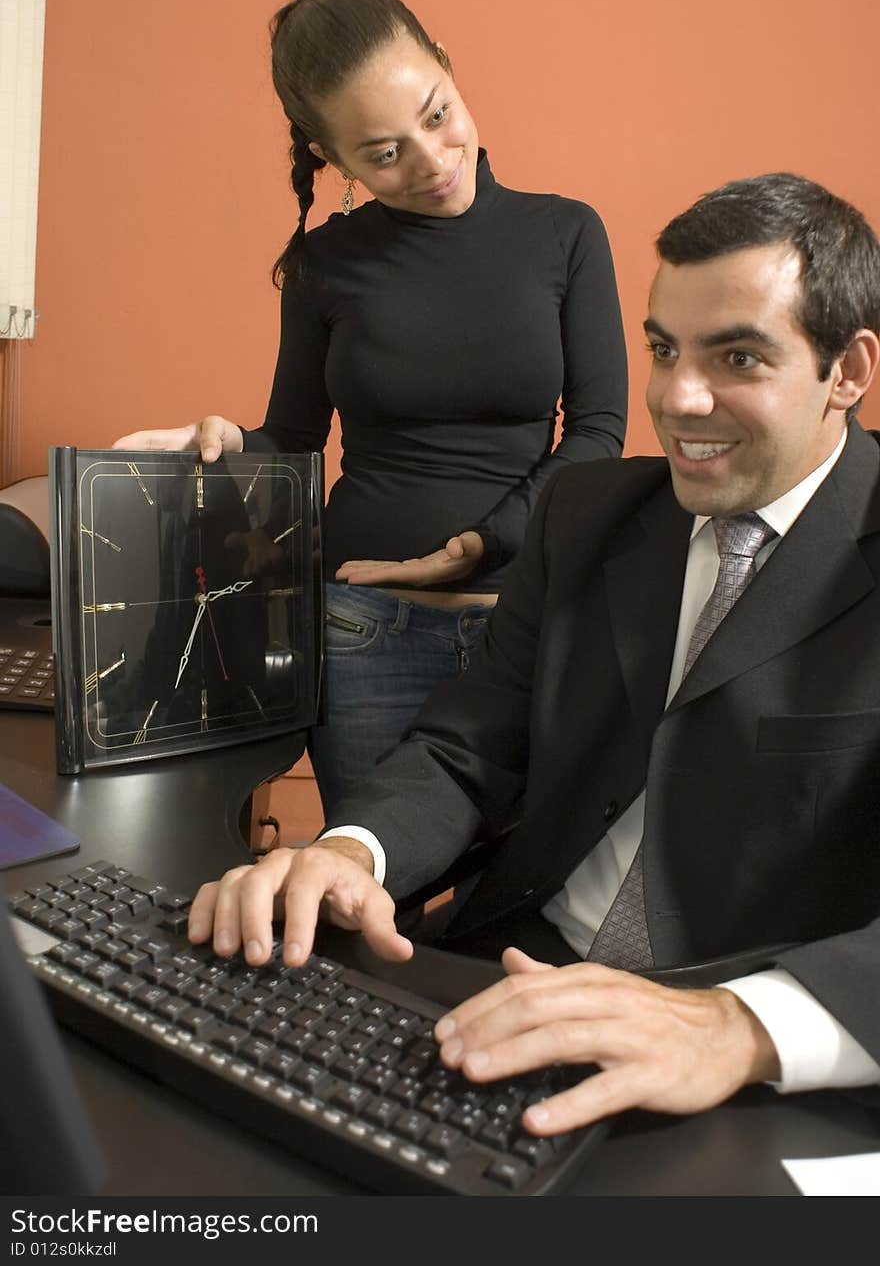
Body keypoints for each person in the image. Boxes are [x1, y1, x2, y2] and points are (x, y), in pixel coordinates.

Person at [189, 170, 880, 1138]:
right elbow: (465, 744)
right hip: (503, 970)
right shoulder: (587, 511)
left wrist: (740, 1026)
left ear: (846, 370)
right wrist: (351, 848)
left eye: (736, 356)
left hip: (738, 1058)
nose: (678, 398)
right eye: (662, 348)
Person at [113, 0, 628, 820]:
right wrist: (225, 439)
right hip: (361, 633)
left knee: (506, 910)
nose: (431, 159)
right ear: (333, 158)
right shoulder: (323, 264)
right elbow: (292, 439)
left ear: (451, 71)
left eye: (437, 113)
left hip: (528, 625)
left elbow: (598, 434)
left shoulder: (567, 234)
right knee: (370, 897)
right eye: (383, 154)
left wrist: (474, 544)